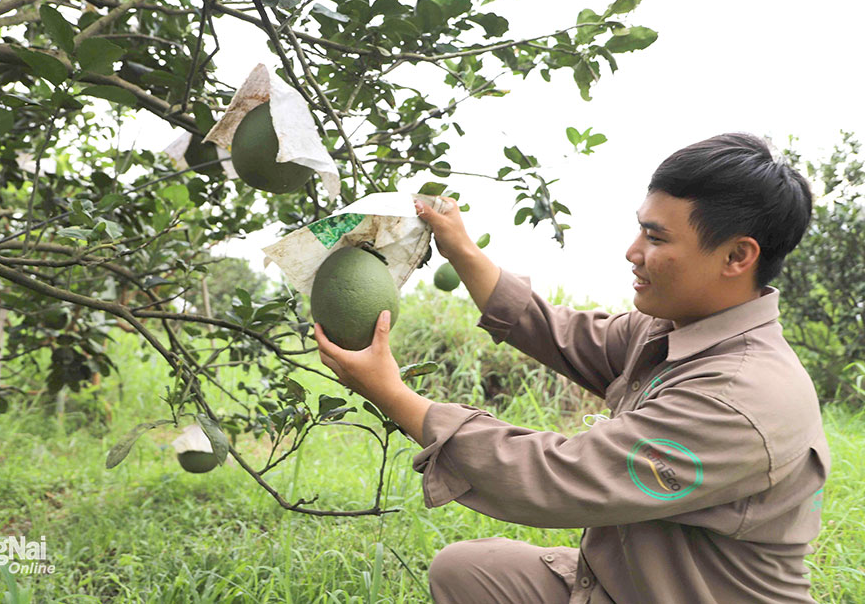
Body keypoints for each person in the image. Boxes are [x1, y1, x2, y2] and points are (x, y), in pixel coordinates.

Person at [314, 133, 830, 603]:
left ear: (737, 256)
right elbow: (562, 333)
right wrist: (461, 248)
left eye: (656, 238)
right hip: (625, 583)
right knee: (466, 570)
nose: (633, 252)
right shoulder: (671, 332)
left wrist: (394, 395)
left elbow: (562, 477)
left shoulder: (740, 397)